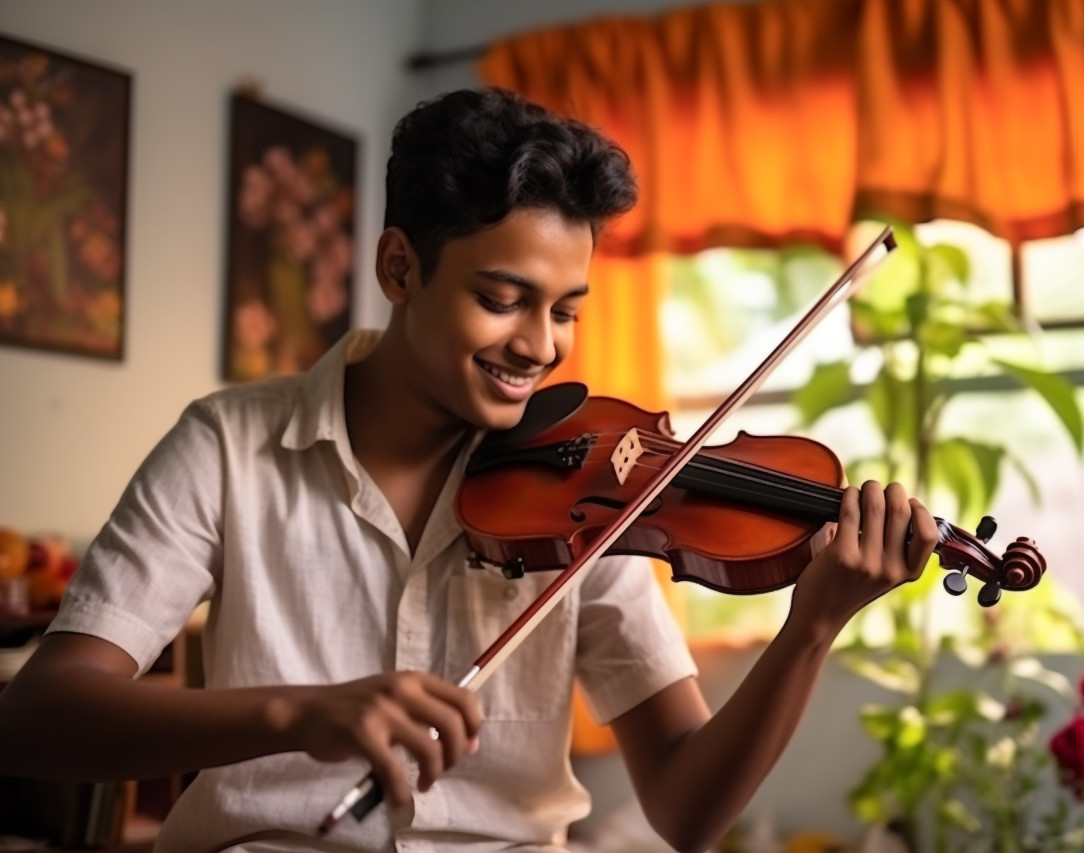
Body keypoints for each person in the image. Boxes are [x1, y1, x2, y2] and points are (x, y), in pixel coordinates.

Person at [0, 88, 939, 853]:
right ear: (400, 268)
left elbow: (688, 809)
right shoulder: (227, 444)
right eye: (502, 299)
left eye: (566, 310)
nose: (539, 345)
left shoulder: (600, 488)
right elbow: (38, 717)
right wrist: (298, 713)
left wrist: (810, 626)